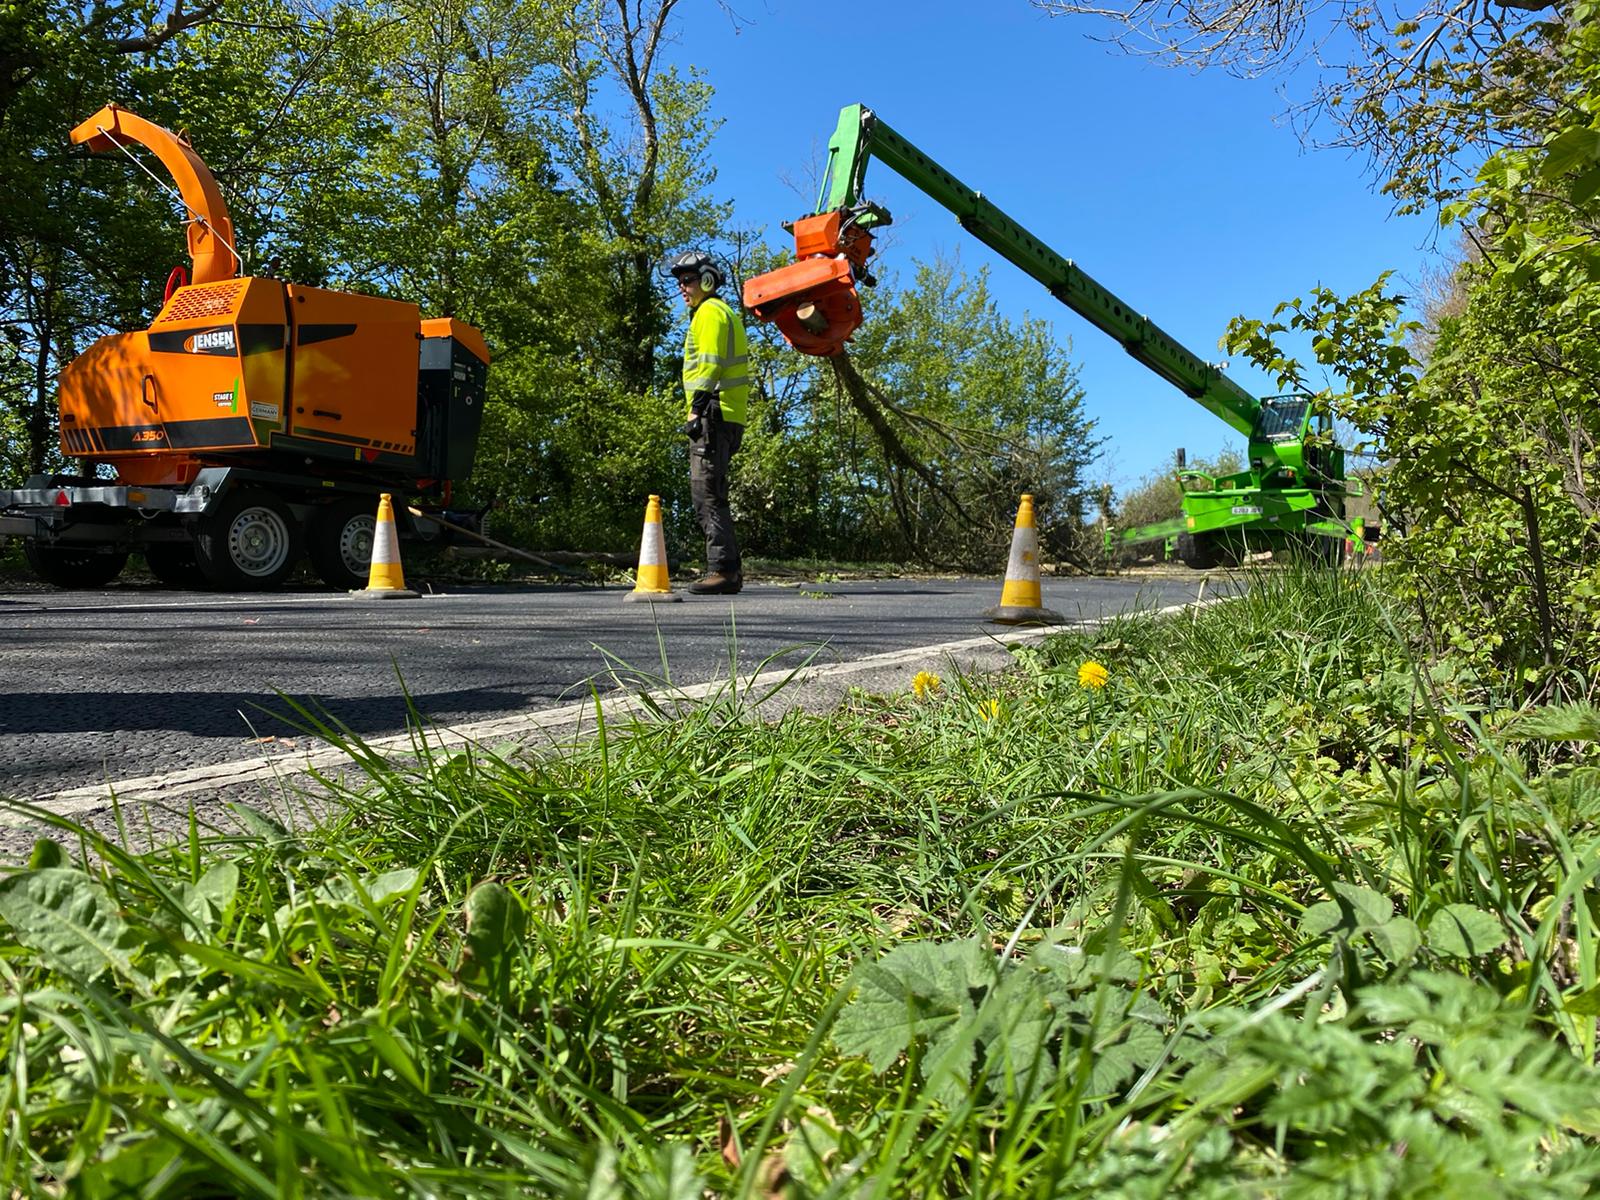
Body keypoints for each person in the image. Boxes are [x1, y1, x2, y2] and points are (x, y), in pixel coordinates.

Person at [669, 250, 749, 595]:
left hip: (713, 414)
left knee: (706, 494)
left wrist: (695, 410)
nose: (682, 288)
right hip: (724, 414)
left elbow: (711, 365)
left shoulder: (710, 312)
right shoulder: (717, 312)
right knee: (713, 492)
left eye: (687, 280)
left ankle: (722, 571)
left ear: (706, 280)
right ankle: (726, 570)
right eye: (679, 282)